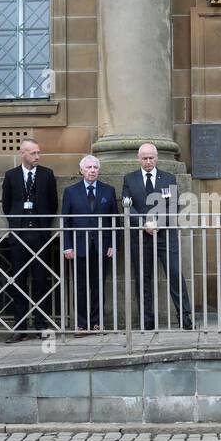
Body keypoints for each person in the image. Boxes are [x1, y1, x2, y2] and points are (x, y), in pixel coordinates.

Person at [122, 142, 193, 330]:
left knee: (175, 274)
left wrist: (158, 224)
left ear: (157, 158)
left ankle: (185, 318)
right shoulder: (130, 179)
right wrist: (144, 224)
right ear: (139, 159)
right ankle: (147, 320)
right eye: (144, 158)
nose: (147, 161)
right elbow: (127, 205)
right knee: (143, 278)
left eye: (151, 157)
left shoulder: (168, 178)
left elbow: (173, 205)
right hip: (140, 236)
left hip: (165, 235)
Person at [0, 138, 58, 343]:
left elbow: (52, 204)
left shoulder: (47, 174)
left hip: (40, 236)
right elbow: (6, 205)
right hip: (19, 236)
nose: (37, 157)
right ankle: (19, 327)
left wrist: (41, 225)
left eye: (38, 153)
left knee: (41, 280)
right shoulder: (11, 176)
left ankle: (41, 324)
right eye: (33, 153)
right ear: (22, 153)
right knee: (18, 281)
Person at [62, 156, 119, 334]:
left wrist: (114, 244)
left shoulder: (108, 191)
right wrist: (67, 246)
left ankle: (97, 321)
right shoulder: (71, 192)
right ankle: (81, 324)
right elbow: (66, 221)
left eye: (95, 167)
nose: (92, 170)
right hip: (79, 247)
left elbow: (115, 221)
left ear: (99, 170)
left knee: (98, 285)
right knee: (79, 286)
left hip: (102, 247)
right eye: (88, 167)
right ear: (81, 171)